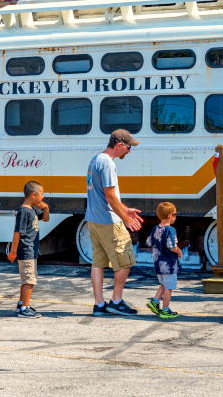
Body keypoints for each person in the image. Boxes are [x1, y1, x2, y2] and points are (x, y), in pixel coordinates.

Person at [85, 129, 144, 316]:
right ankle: (116, 301)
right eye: (128, 147)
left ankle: (99, 304)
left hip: (93, 219)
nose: (129, 151)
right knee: (125, 262)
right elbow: (110, 196)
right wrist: (126, 220)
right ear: (119, 145)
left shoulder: (95, 160)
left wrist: (125, 209)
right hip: (109, 221)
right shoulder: (108, 164)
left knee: (98, 263)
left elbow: (105, 195)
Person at [8, 181, 50, 318]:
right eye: (41, 194)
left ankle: (22, 303)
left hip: (31, 250)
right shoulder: (24, 211)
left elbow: (46, 219)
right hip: (26, 250)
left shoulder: (33, 209)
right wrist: (13, 252)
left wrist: (46, 208)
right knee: (29, 280)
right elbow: (16, 233)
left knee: (26, 279)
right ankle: (25, 308)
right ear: (33, 195)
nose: (43, 197)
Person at [146, 202, 182, 319]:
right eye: (176, 214)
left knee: (164, 284)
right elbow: (172, 246)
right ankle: (165, 310)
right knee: (169, 287)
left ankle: (155, 301)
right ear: (170, 216)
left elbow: (149, 242)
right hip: (168, 264)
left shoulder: (155, 228)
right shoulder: (170, 230)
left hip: (157, 263)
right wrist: (179, 251)